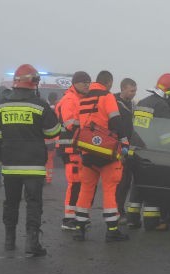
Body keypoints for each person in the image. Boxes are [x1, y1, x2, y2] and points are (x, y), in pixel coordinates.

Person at [0, 64, 61, 257]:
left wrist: (0, 157)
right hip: (34, 165)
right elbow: (53, 131)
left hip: (10, 164)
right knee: (34, 204)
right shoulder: (40, 106)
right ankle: (32, 243)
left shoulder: (1, 106)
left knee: (11, 203)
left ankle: (9, 241)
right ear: (34, 83)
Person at [126, 73, 170, 232]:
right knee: (152, 186)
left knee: (137, 185)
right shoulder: (161, 106)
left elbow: (135, 128)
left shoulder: (143, 102)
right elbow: (166, 134)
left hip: (135, 152)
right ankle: (151, 223)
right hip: (153, 153)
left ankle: (132, 219)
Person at [72, 70, 130, 242]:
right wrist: (125, 142)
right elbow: (115, 122)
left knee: (86, 189)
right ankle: (112, 230)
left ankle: (79, 228)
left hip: (87, 151)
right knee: (110, 189)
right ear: (109, 82)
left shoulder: (83, 99)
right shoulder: (107, 96)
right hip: (106, 152)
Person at [55, 71, 91, 230]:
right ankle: (69, 219)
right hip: (70, 148)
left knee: (79, 182)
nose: (87, 85)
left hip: (75, 147)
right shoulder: (70, 99)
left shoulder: (77, 98)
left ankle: (77, 216)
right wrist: (90, 124)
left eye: (88, 82)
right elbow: (71, 124)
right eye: (84, 82)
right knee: (75, 182)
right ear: (75, 83)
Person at [114, 78, 137, 220]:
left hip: (128, 147)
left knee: (126, 181)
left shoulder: (131, 105)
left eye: (135, 91)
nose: (134, 93)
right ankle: (117, 211)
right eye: (132, 90)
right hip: (118, 148)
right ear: (123, 89)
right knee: (120, 182)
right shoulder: (115, 104)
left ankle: (120, 209)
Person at [43, 92, 59, 184]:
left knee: (44, 160)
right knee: (50, 160)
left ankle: (44, 177)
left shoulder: (47, 110)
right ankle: (49, 178)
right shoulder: (59, 107)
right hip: (53, 139)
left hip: (44, 139)